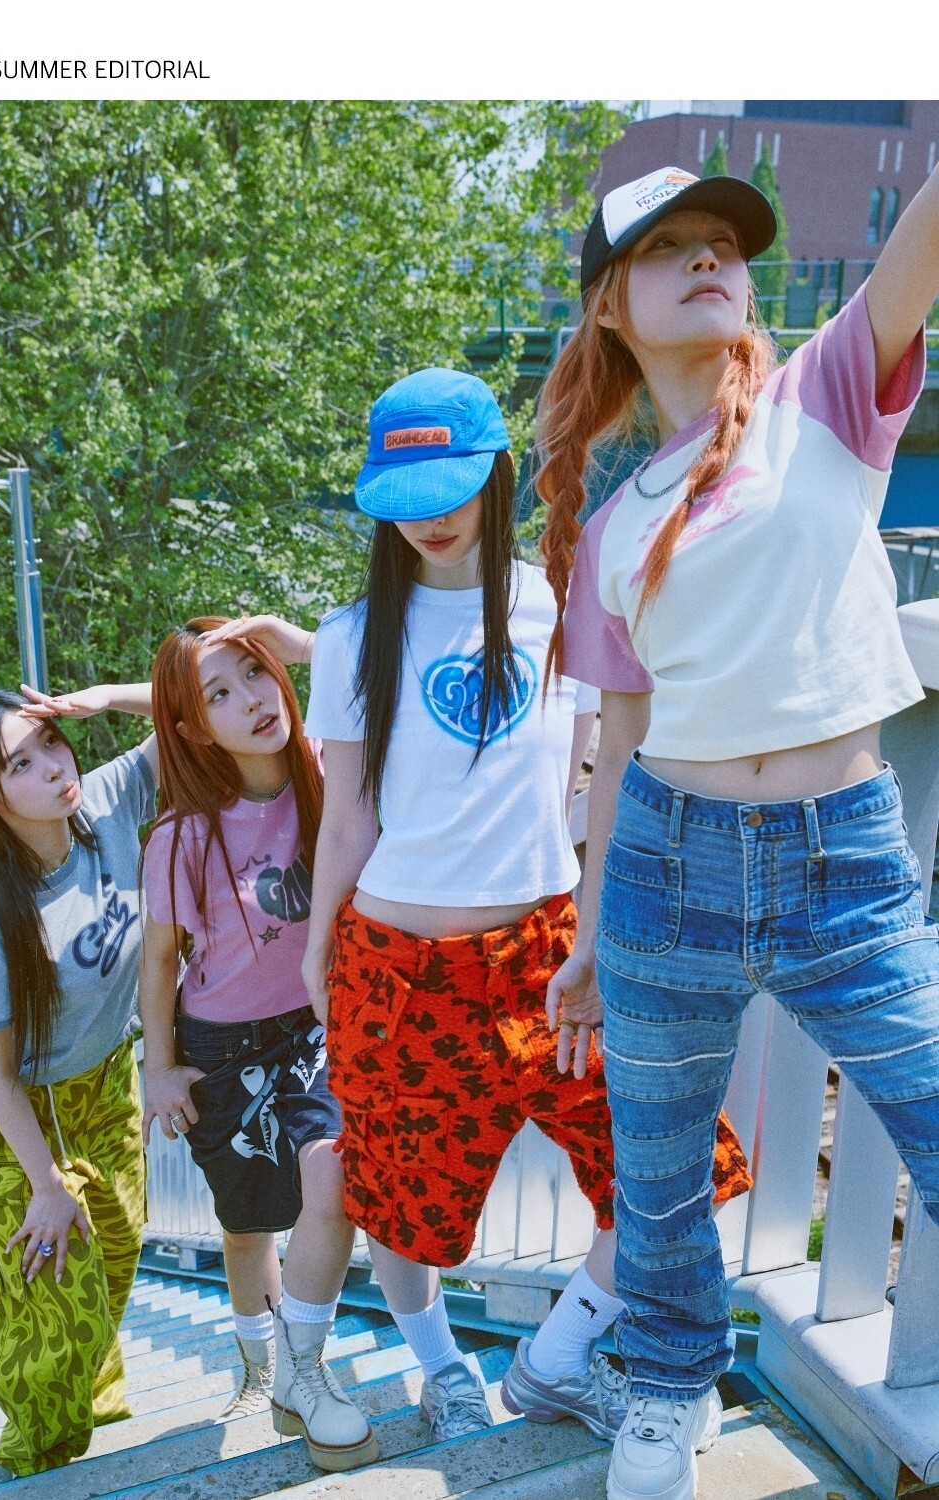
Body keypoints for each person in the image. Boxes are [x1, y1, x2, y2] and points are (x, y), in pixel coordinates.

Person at [540, 163, 939, 1500]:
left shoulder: (825, 395)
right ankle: (667, 1390)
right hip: (664, 870)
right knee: (656, 1177)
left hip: (846, 868)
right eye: (668, 249)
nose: (708, 258)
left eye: (722, 242)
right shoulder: (612, 529)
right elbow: (617, 748)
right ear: (610, 306)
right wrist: (588, 935)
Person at [299, 367, 752, 1446]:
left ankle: (553, 1361)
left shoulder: (564, 605)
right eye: (406, 502)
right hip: (394, 966)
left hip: (549, 959)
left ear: (498, 476)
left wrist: (594, 936)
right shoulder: (351, 633)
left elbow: (599, 792)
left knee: (673, 1168)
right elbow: (347, 818)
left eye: (452, 491)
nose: (431, 520)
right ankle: (442, 1368)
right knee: (396, 1197)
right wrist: (317, 949)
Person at [138, 619, 378, 1472]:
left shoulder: (329, 770)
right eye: (220, 694)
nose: (252, 700)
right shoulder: (182, 836)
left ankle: (302, 1367)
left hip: (316, 1025)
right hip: (221, 1046)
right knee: (247, 1227)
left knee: (331, 1177)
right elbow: (160, 960)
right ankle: (257, 1373)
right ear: (195, 728)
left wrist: (314, 645)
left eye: (256, 673)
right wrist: (161, 1069)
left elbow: (382, 666)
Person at [0, 680, 157, 1476]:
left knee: (118, 1256)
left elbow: (190, 711)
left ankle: (82, 1410)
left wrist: (104, 699)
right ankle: (35, 1464)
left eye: (51, 743)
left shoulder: (103, 805)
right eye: (20, 764)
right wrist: (45, 1184)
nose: (54, 769)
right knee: (43, 1308)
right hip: (17, 1120)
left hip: (107, 1086)